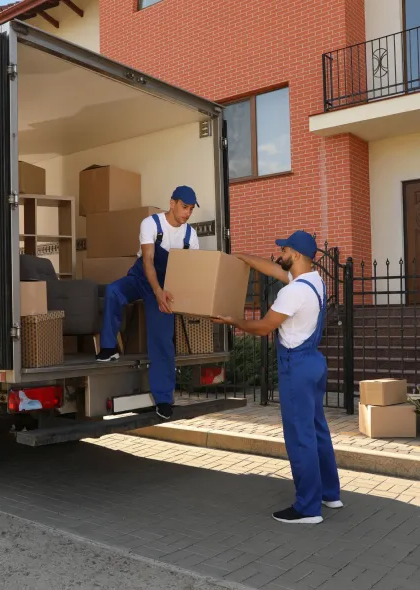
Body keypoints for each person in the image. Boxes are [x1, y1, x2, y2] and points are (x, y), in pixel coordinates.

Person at [213, 230, 341, 524]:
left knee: (300, 437)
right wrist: (243, 257)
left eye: (283, 250)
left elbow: (262, 328)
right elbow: (272, 268)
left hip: (295, 365)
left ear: (295, 255)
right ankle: (329, 494)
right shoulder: (314, 282)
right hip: (314, 362)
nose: (279, 255)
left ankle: (308, 508)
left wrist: (234, 321)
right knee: (317, 429)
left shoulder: (292, 292)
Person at [96, 186, 200, 420]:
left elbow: (190, 269)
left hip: (168, 286)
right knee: (113, 291)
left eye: (191, 209)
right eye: (184, 207)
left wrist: (172, 295)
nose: (187, 213)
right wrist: (156, 291)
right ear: (172, 203)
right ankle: (109, 348)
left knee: (162, 340)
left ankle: (163, 399)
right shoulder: (151, 224)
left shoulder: (190, 236)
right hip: (142, 278)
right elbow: (149, 261)